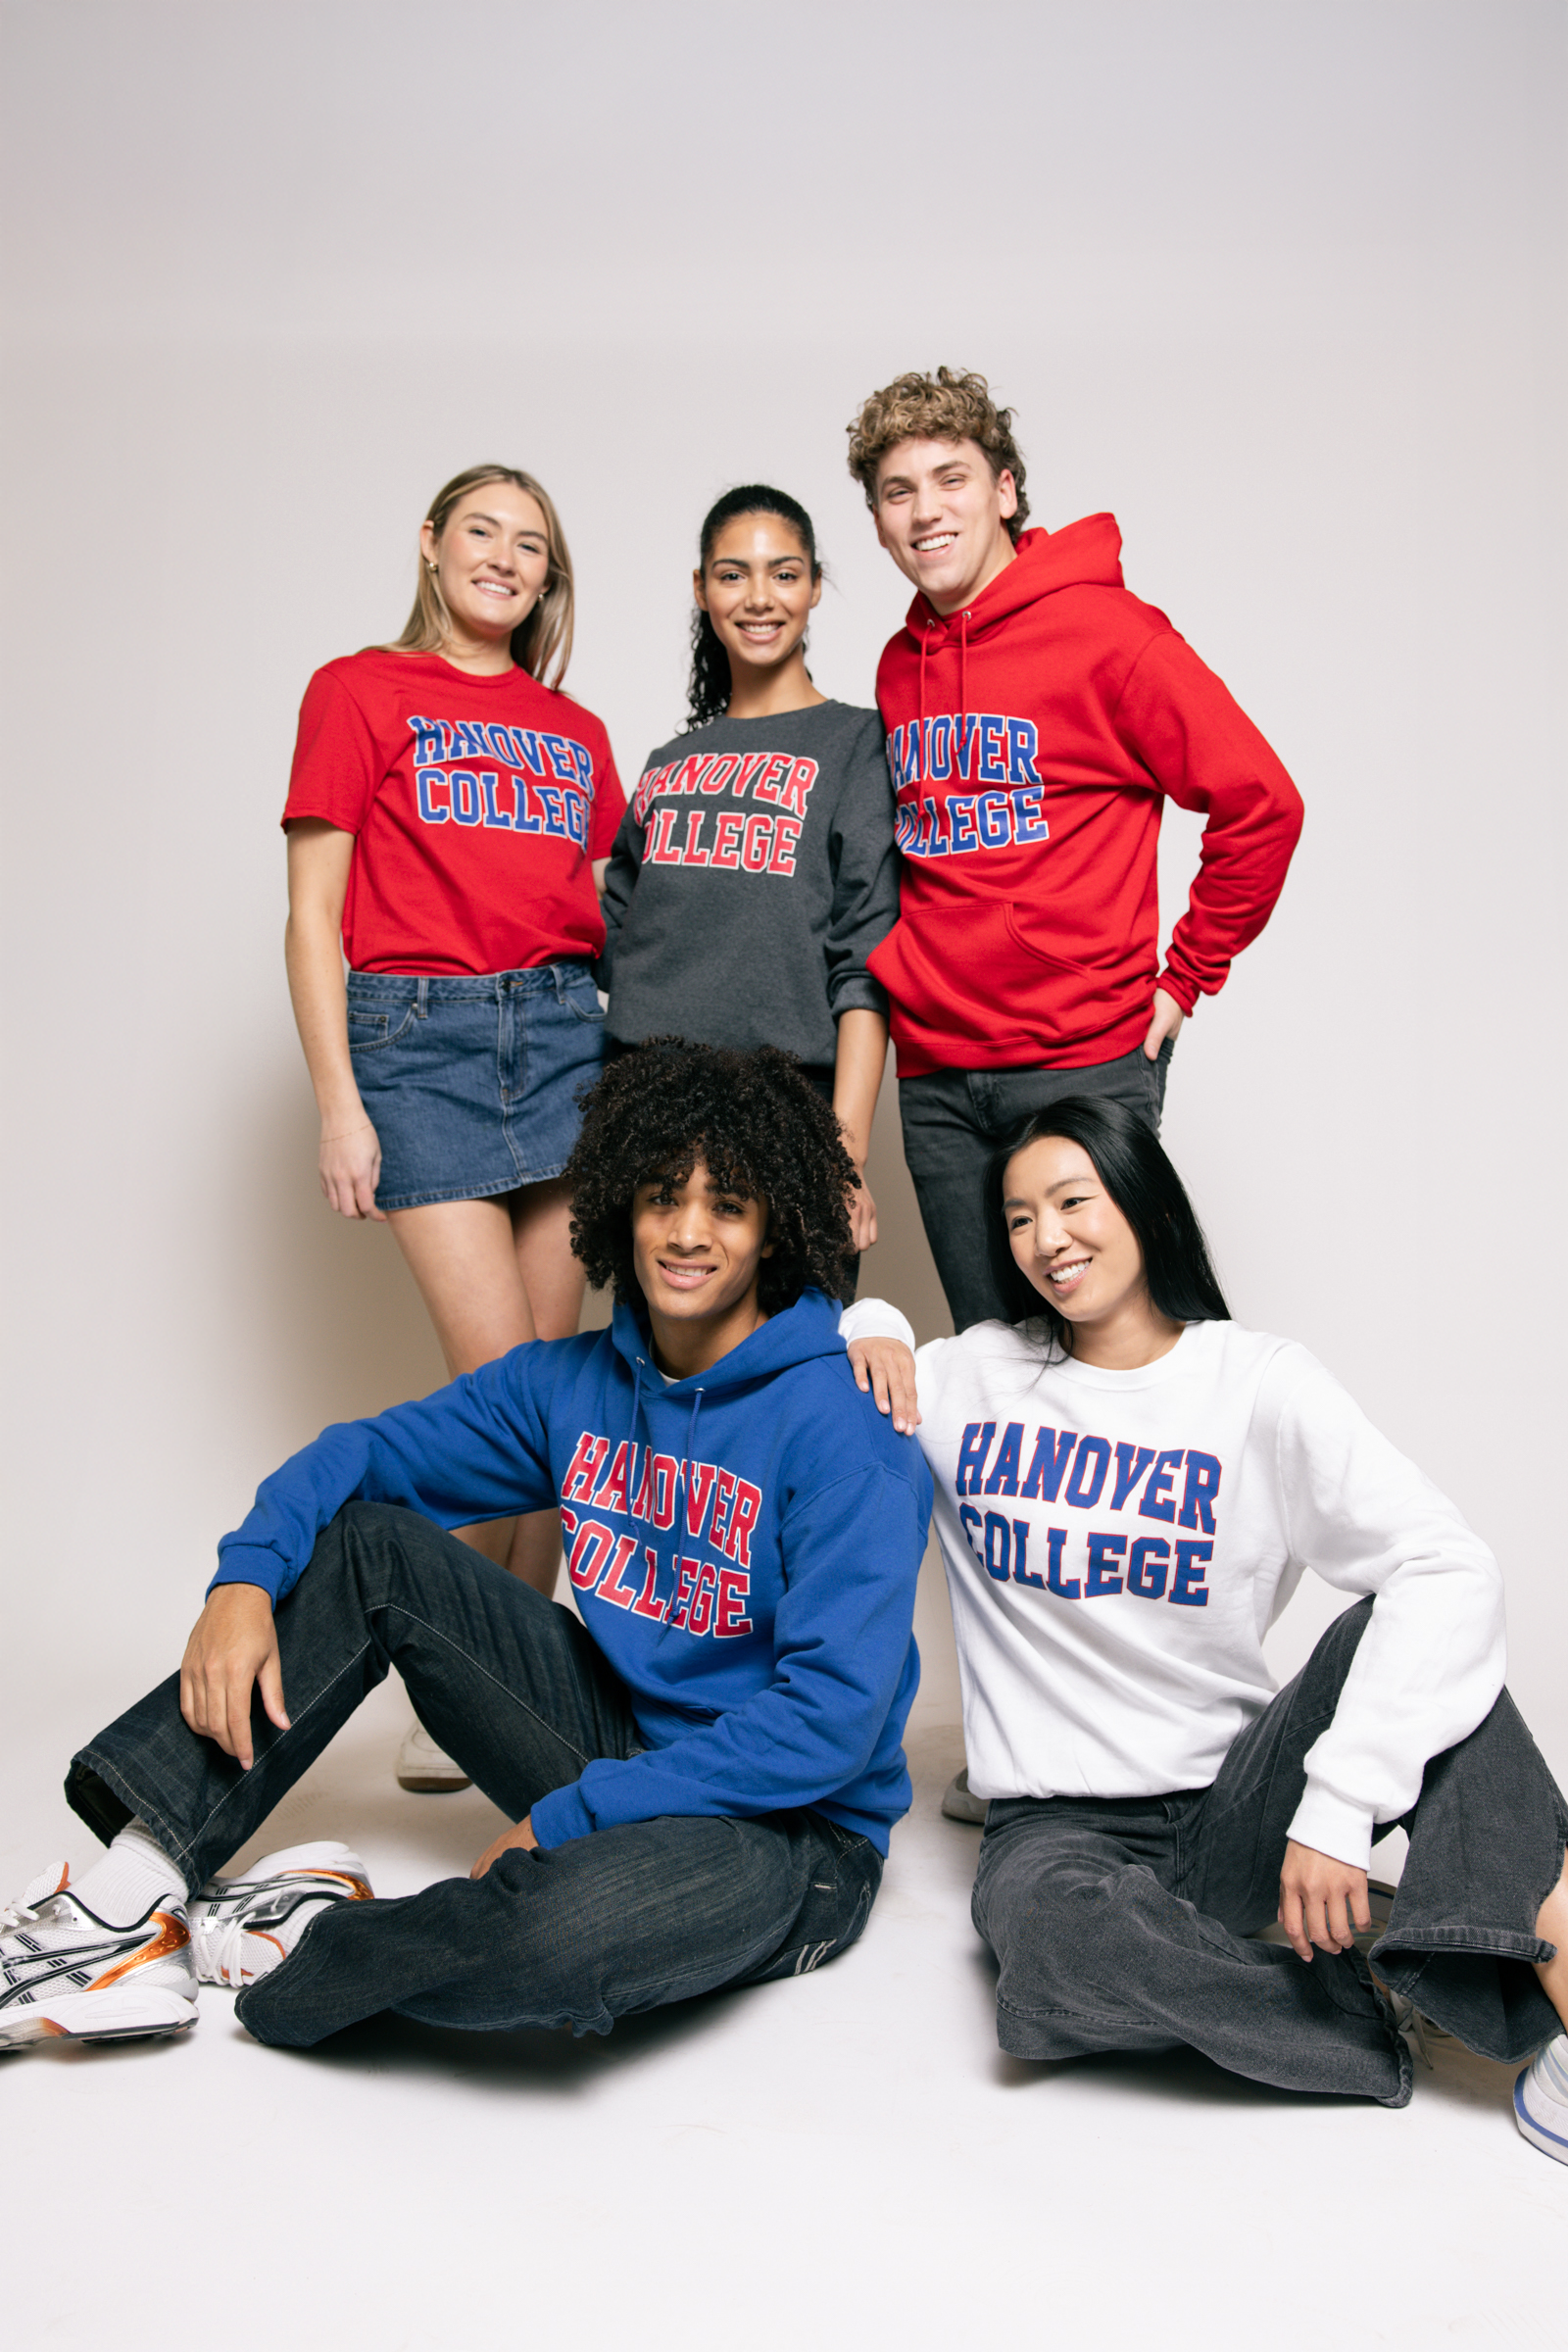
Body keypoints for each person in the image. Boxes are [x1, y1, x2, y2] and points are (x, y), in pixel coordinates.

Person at [0, 1045, 931, 2057]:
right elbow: (367, 1456)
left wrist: (577, 1817)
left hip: (792, 1825)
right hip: (621, 1736)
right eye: (663, 1198)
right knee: (371, 1547)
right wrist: (244, 1574)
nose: (688, 1234)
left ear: (773, 1229)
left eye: (727, 1206)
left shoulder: (849, 1426)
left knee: (559, 1943)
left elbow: (829, 1722)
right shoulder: (570, 1384)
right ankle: (127, 1899)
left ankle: (299, 1939)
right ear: (621, 1203)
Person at [840, 1097, 1568, 2160]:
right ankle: (1368, 2000)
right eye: (1016, 1218)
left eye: (1072, 1201)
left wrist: (1335, 1804)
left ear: (1140, 1199)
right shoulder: (973, 1377)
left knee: (1426, 1648)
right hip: (1057, 1830)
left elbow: (1445, 1565)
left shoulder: (1256, 1384)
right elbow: (821, 1367)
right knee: (1050, 1961)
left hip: (1236, 1803)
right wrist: (873, 1321)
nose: (1046, 1238)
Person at [281, 463, 624, 1790]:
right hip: (416, 1042)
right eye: (481, 531)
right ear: (431, 547)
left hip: (563, 1038)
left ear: (548, 579)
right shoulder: (355, 691)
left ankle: (505, 1676)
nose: (504, 559)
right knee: (503, 1400)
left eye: (530, 546)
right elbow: (315, 914)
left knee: (561, 1406)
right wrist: (338, 1103)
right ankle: (463, 1672)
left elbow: (610, 907)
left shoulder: (575, 730)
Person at [844, 366, 1305, 1335]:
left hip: (1080, 1058)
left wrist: (1185, 979)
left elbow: (1261, 805)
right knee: (997, 1374)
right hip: (935, 1084)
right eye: (898, 491)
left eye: (950, 478)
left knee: (1112, 1361)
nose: (926, 510)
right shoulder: (899, 666)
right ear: (879, 522)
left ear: (1004, 489)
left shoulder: (1110, 635)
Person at [598, 486, 898, 1295]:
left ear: (814, 588)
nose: (759, 597)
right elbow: (615, 936)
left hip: (789, 1106)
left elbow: (867, 958)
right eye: (733, 575)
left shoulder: (858, 741)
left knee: (790, 1376)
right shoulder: (666, 762)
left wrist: (845, 1153)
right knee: (653, 1376)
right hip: (648, 1101)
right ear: (701, 589)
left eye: (784, 573)